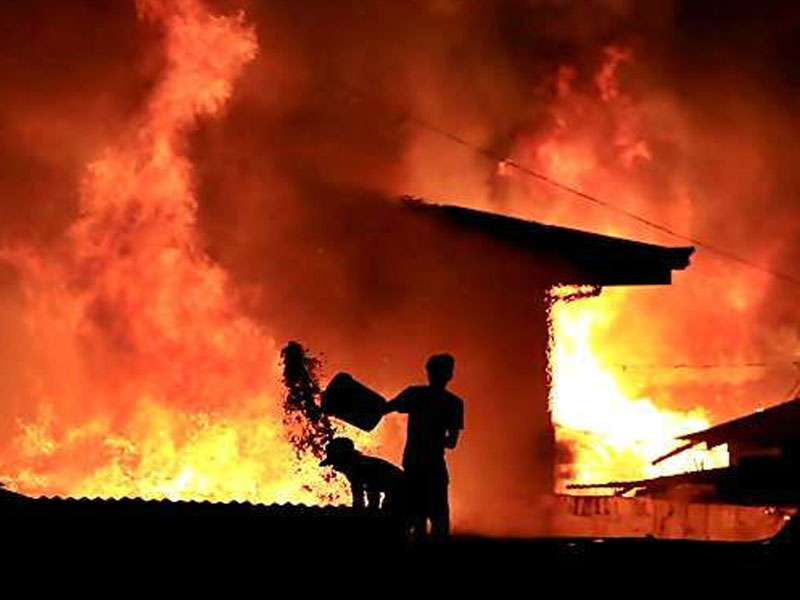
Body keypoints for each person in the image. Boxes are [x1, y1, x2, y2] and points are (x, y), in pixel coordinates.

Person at [383, 353, 464, 541]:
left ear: (428, 372)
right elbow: (452, 443)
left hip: (413, 463)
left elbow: (384, 408)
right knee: (439, 518)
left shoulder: (414, 394)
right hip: (434, 465)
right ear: (450, 375)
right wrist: (435, 439)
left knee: (414, 516)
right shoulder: (454, 403)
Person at [320, 437, 405, 515]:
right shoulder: (359, 465)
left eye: (335, 463)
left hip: (401, 491)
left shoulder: (359, 468)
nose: (334, 467)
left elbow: (370, 494)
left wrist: (364, 513)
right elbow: (361, 495)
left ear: (343, 459)